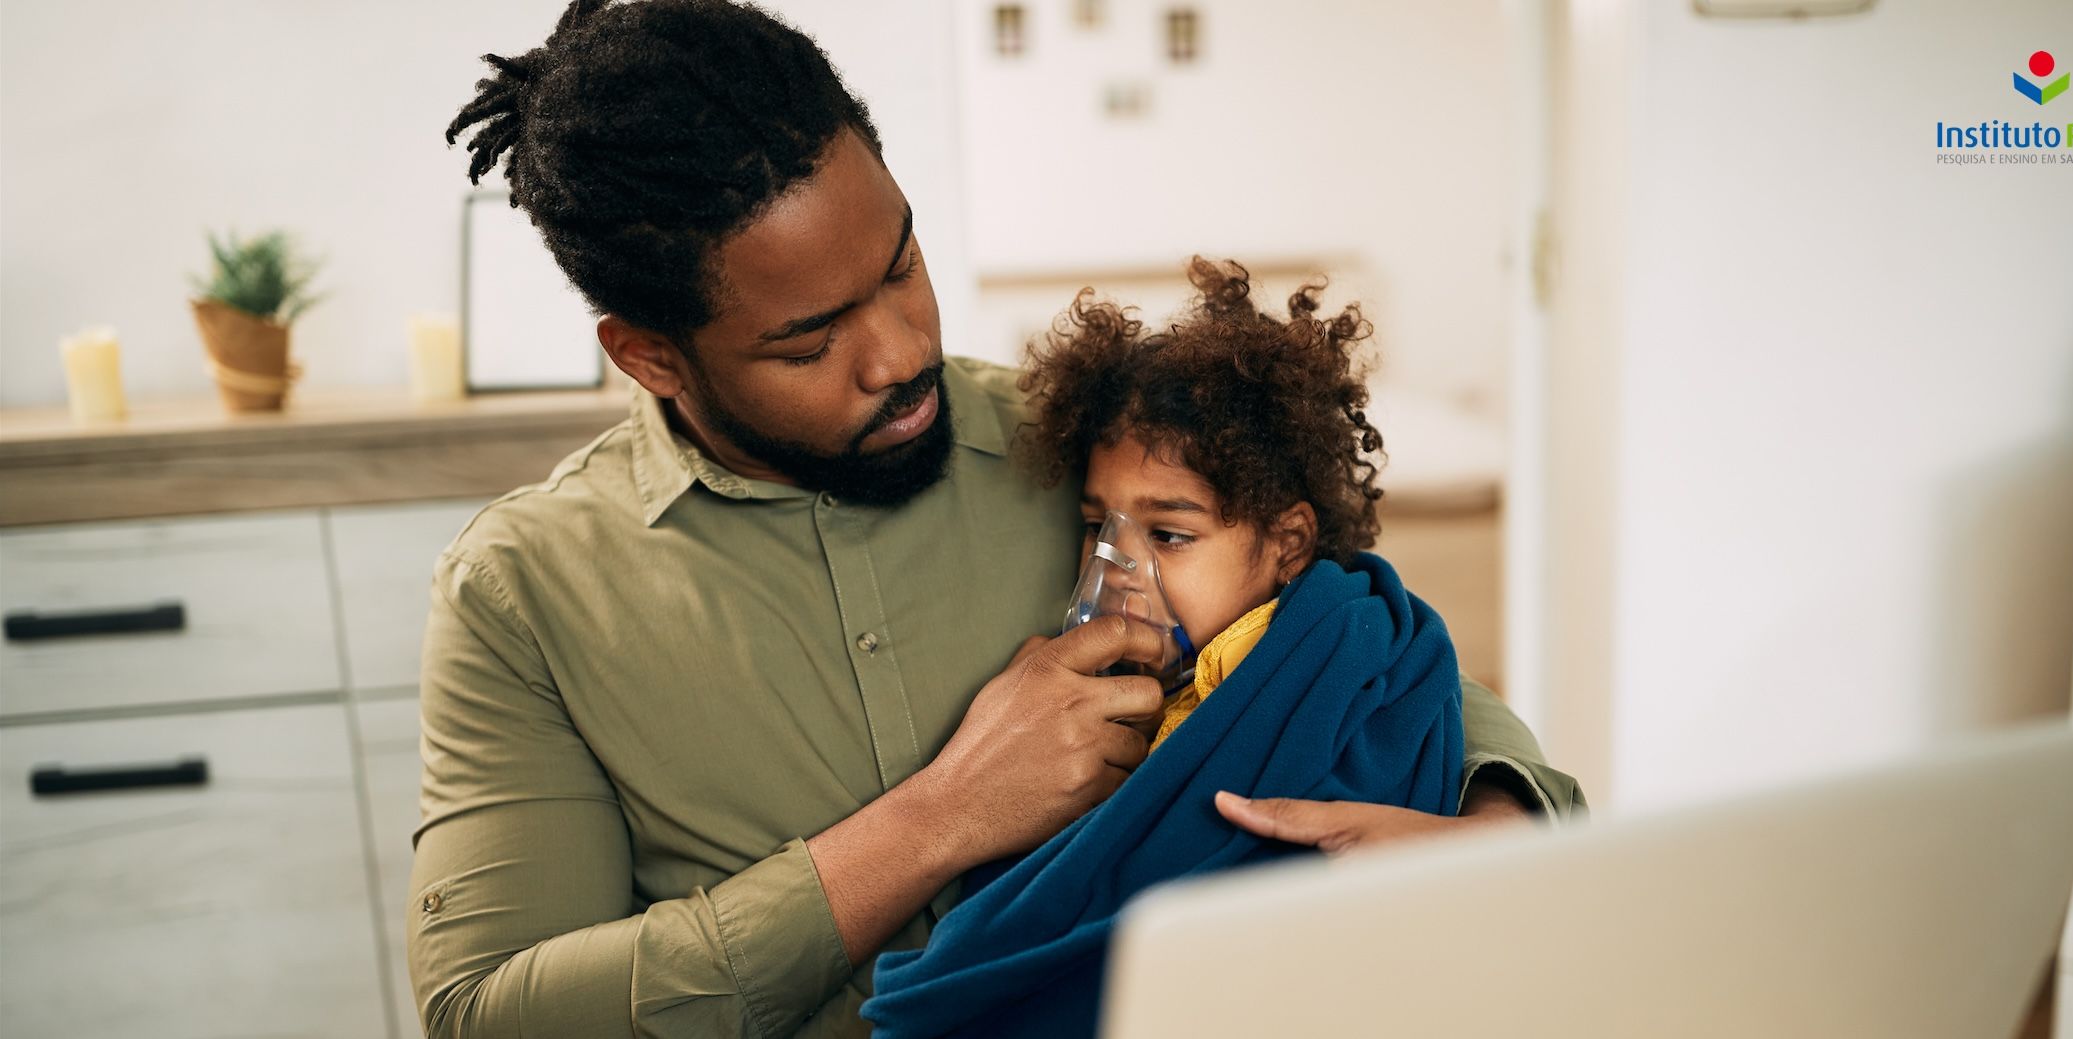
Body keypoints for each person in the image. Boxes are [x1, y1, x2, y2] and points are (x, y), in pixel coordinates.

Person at [413, 2, 1585, 1036]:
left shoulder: (1094, 444)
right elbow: (487, 1012)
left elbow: (1361, 645)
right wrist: (939, 817)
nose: (899, 352)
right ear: (650, 355)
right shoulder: (522, 594)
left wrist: (1498, 823)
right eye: (809, 342)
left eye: (899, 265)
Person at [859, 258, 1493, 1037]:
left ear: (1288, 543)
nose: (1118, 569)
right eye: (1098, 526)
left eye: (1169, 535)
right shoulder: (1102, 685)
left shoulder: (1350, 652)